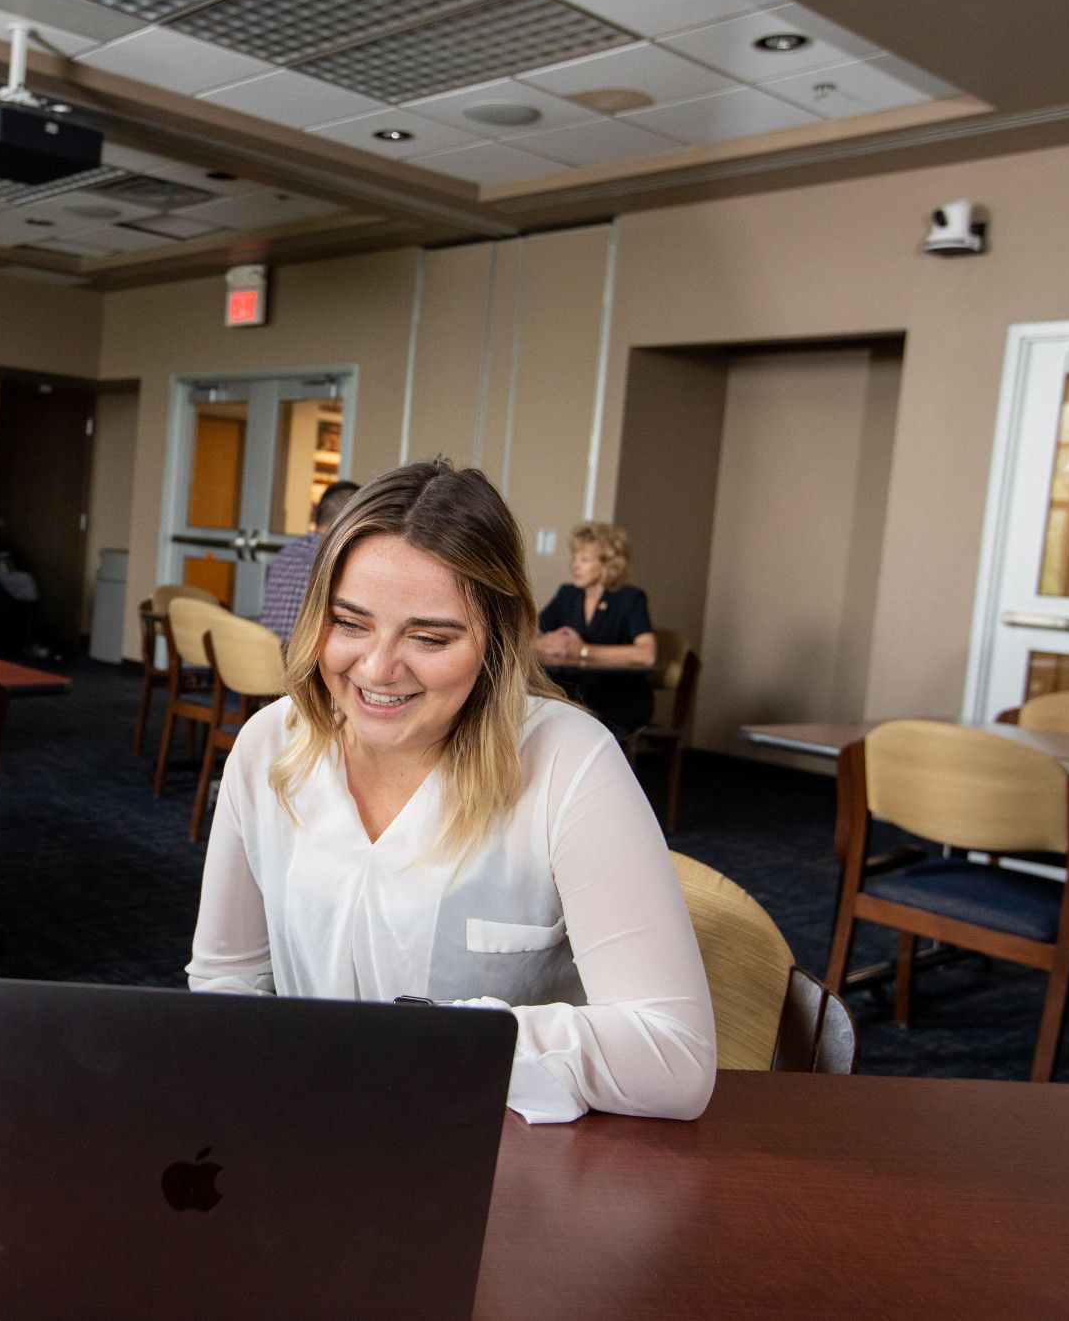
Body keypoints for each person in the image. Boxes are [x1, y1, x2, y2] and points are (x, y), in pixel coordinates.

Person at [188, 460, 715, 1123]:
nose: (376, 669)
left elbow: (676, 1057)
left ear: (498, 639)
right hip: (306, 1134)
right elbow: (226, 980)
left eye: (430, 636)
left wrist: (449, 1044)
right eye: (350, 624)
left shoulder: (569, 764)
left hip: (500, 1154)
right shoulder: (270, 746)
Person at [535, 521, 657, 739]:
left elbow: (646, 654)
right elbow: (529, 632)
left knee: (570, 719)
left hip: (619, 697)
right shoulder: (568, 594)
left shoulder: (630, 599)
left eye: (584, 560)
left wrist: (583, 650)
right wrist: (544, 643)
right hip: (573, 692)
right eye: (574, 558)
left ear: (607, 564)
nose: (575, 565)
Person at [260, 479, 359, 645]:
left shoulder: (286, 552)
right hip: (300, 664)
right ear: (349, 521)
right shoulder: (332, 563)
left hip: (266, 660)